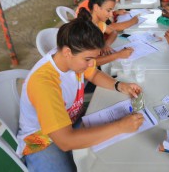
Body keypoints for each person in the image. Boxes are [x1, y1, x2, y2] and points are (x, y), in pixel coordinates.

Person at [16, 17, 144, 172]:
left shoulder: (71, 59)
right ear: (67, 52)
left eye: (93, 58)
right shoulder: (44, 83)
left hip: (70, 120)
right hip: (39, 138)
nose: (92, 63)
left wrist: (119, 86)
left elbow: (94, 74)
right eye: (88, 59)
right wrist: (120, 127)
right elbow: (65, 141)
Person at [78, 0, 134, 65]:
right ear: (96, 7)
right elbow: (89, 62)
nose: (111, 15)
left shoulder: (99, 23)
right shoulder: (85, 30)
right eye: (108, 10)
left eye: (112, 11)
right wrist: (118, 55)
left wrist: (106, 44)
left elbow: (113, 32)